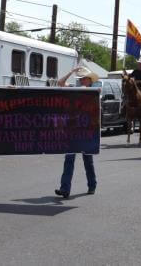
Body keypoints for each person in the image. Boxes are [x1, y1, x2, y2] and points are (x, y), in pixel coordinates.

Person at [55, 66, 98, 199]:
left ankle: (92, 185)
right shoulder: (75, 89)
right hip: (72, 130)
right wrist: (71, 72)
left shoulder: (93, 92)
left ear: (90, 80)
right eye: (81, 78)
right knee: (69, 159)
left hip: (86, 131)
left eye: (84, 78)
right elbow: (60, 83)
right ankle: (65, 189)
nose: (82, 80)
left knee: (87, 160)